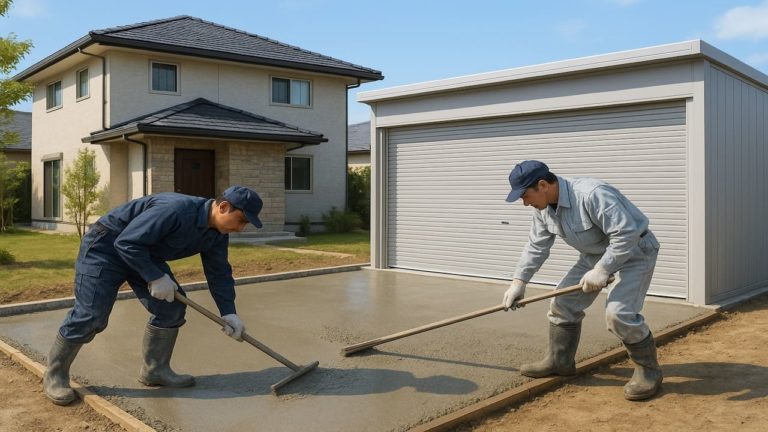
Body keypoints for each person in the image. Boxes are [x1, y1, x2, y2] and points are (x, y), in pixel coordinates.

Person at [43, 185, 263, 406]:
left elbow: (219, 273)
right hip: (105, 249)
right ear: (223, 207)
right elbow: (126, 242)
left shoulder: (216, 234)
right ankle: (55, 374)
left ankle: (155, 370)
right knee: (91, 315)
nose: (241, 228)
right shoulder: (175, 210)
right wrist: (154, 277)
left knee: (172, 309)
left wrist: (229, 312)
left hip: (145, 253)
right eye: (241, 220)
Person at [501, 160, 662, 401]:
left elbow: (626, 233)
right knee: (562, 303)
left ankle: (649, 372)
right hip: (594, 255)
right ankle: (559, 360)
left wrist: (603, 269)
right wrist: (519, 281)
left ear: (543, 185)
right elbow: (536, 245)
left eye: (525, 196)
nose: (525, 203)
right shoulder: (543, 209)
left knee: (619, 314)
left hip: (635, 251)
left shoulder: (591, 194)